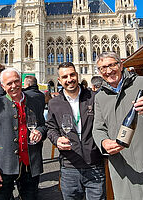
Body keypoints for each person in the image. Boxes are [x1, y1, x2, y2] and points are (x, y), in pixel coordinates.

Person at [46, 62, 106, 200]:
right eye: (65, 76)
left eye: (72, 75)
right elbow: (51, 128)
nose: (69, 79)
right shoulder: (54, 103)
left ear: (77, 76)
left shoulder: (94, 97)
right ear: (59, 80)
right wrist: (57, 139)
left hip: (95, 165)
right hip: (69, 167)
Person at [93, 51, 143, 199]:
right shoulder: (100, 96)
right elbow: (98, 128)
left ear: (121, 64)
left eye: (112, 65)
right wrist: (104, 143)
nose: (108, 71)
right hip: (121, 166)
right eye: (103, 68)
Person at [0, 68, 47, 200]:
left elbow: (43, 125)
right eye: (9, 84)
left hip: (30, 165)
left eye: (16, 81)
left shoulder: (34, 102)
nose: (14, 86)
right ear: (2, 86)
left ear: (22, 82)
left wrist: (40, 132)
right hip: (4, 166)